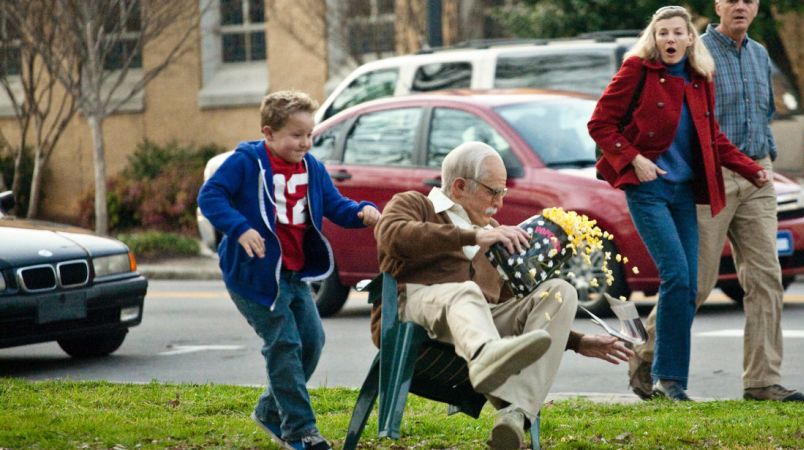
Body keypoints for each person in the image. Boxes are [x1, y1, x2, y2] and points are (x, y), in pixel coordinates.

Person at [373, 141, 633, 450]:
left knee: (560, 291)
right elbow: (392, 236)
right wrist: (473, 236)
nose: (498, 202)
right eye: (492, 192)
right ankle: (486, 356)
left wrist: (576, 341)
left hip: (478, 320)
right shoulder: (416, 204)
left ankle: (514, 412)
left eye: (503, 193)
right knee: (465, 292)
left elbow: (512, 302)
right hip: (413, 310)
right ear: (459, 186)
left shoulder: (494, 231)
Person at [628, 0, 804, 403]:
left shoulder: (761, 54)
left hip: (755, 172)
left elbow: (763, 114)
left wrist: (763, 161)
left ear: (756, 6)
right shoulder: (697, 54)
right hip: (712, 175)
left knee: (765, 278)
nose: (740, 6)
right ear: (717, 6)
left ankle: (762, 381)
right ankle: (647, 358)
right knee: (696, 281)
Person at [589, 5, 769, 401]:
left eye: (677, 33)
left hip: (685, 192)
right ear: (654, 39)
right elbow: (600, 123)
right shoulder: (637, 70)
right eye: (662, 33)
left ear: (691, 39)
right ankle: (667, 380)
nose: (670, 40)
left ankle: (669, 379)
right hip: (648, 190)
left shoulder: (699, 79)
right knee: (678, 277)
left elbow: (713, 138)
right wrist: (635, 159)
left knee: (687, 288)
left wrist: (751, 168)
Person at [198, 90, 381, 450]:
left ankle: (269, 410)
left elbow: (335, 205)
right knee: (283, 342)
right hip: (253, 277)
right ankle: (300, 430)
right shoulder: (246, 162)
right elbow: (211, 196)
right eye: (296, 135)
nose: (305, 143)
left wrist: (361, 211)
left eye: (309, 135)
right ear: (268, 133)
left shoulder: (311, 167)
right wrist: (241, 228)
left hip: (295, 274)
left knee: (312, 341)